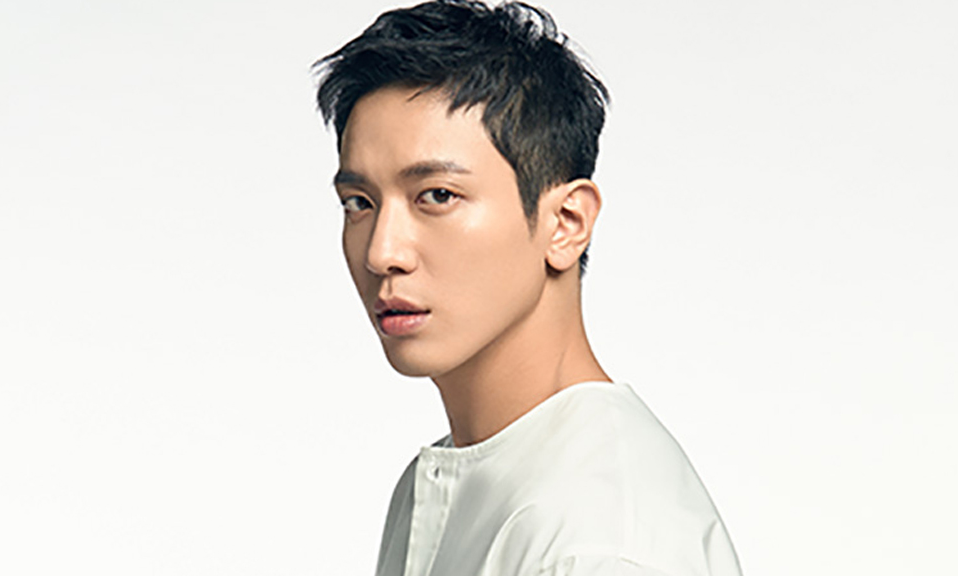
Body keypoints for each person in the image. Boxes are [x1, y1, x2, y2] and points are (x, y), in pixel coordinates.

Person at [313, 1, 741, 574]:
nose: (382, 252)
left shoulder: (597, 542)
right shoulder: (436, 483)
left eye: (437, 195)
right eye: (359, 203)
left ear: (566, 223)